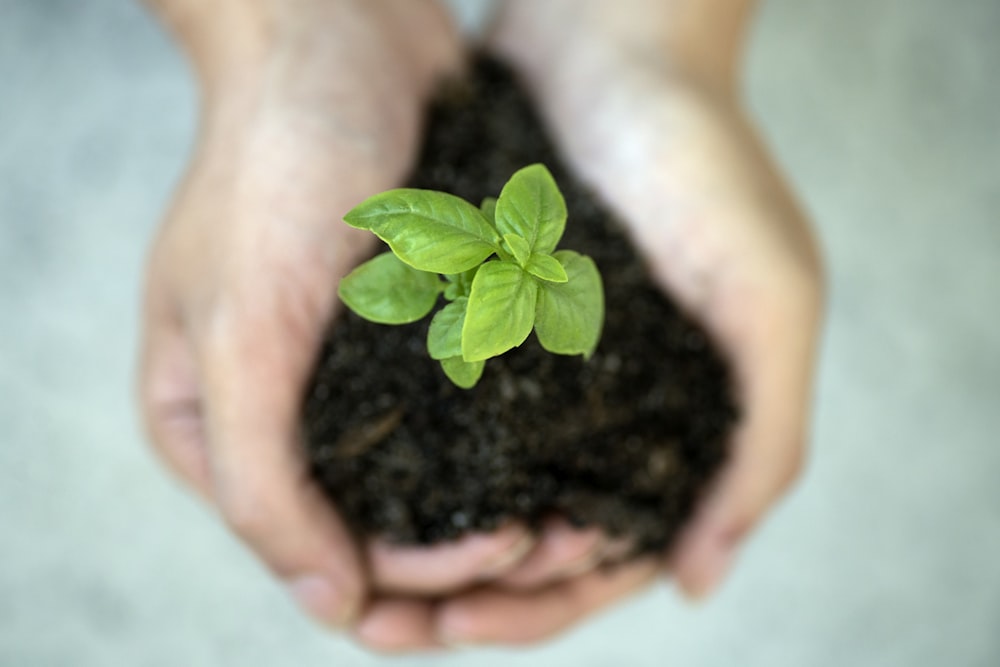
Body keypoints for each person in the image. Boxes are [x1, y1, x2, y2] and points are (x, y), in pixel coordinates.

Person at [139, 0, 823, 652]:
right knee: (459, 318)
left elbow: (503, 322)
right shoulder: (490, 268)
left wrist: (651, 29)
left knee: (491, 327)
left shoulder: (545, 277)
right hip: (491, 262)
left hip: (515, 266)